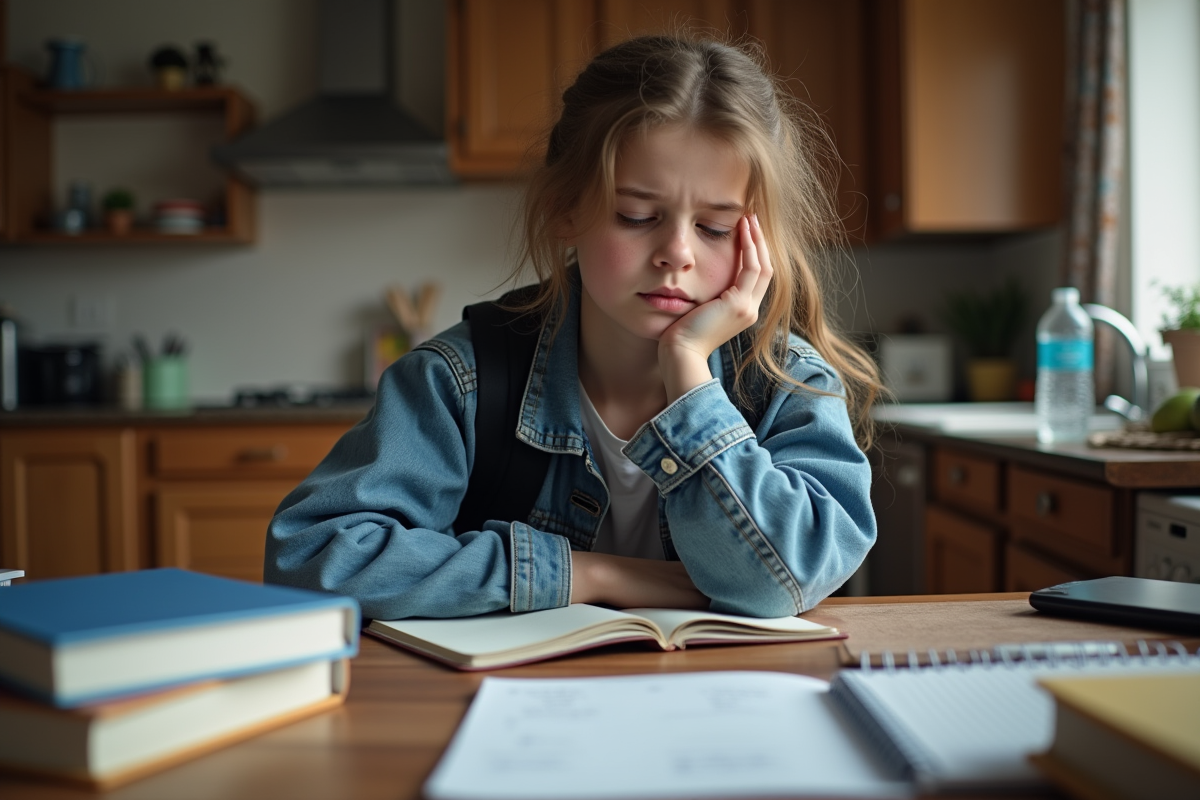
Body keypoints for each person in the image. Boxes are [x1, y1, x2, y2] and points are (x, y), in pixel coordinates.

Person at [265, 33, 883, 621]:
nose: (678, 253)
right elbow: (309, 556)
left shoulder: (786, 381)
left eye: (716, 227)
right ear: (567, 209)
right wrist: (597, 576)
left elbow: (782, 582)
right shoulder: (458, 382)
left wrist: (690, 373)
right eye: (637, 216)